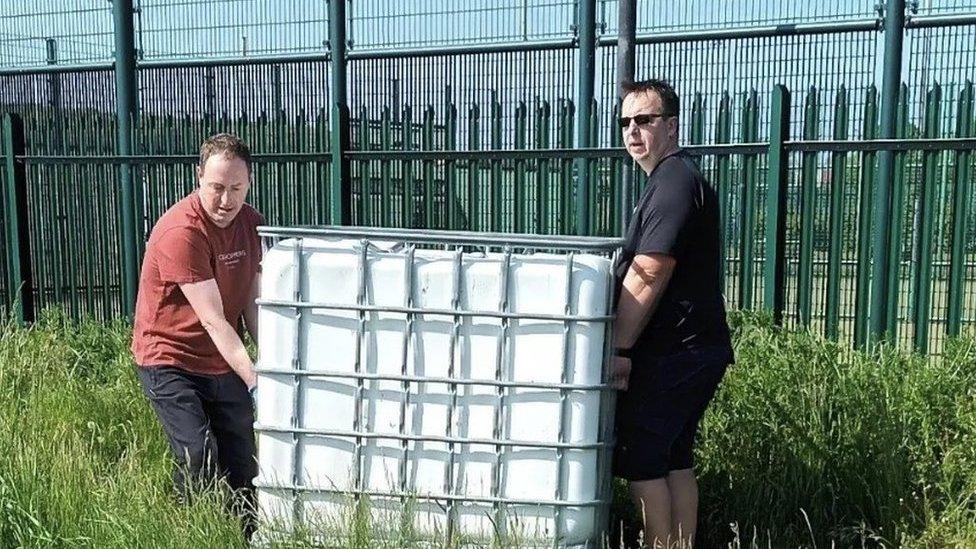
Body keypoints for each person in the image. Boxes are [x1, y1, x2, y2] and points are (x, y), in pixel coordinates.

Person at [610, 79, 734, 548]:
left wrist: (620, 348)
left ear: (672, 126)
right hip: (694, 349)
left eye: (645, 120)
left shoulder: (673, 181)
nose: (633, 131)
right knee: (673, 456)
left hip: (673, 351)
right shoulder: (672, 179)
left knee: (642, 456)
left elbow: (649, 270)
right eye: (626, 121)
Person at [131, 133, 264, 537]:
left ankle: (248, 535)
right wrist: (255, 379)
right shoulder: (181, 231)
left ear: (249, 183)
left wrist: (271, 362)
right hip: (170, 356)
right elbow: (213, 319)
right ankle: (188, 532)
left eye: (236, 189)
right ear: (198, 178)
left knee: (243, 455)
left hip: (222, 357)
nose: (226, 201)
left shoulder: (252, 224)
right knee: (198, 453)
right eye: (216, 188)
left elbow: (253, 306)